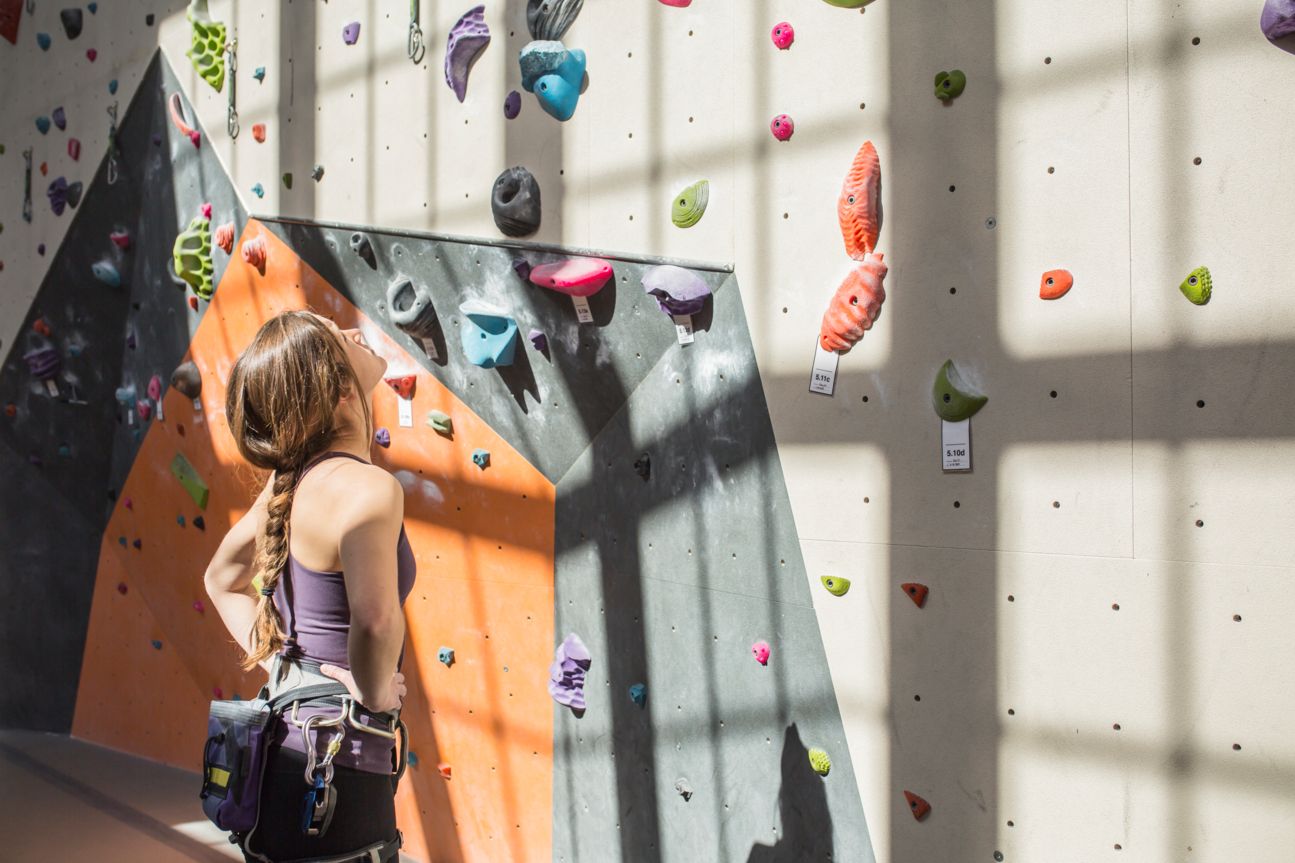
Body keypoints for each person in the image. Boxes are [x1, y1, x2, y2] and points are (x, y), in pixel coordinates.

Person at [203, 310, 418, 863]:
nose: (352, 331)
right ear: (341, 387)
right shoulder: (370, 489)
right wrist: (373, 694)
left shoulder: (288, 481)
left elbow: (222, 580)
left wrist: (284, 665)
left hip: (281, 763)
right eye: (338, 336)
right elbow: (373, 621)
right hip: (336, 775)